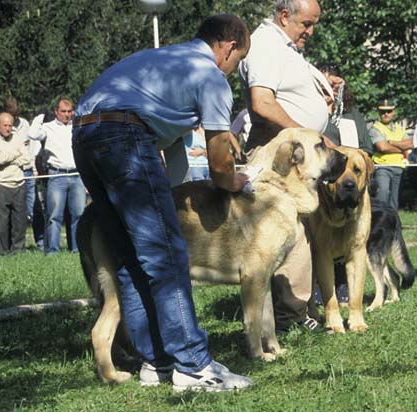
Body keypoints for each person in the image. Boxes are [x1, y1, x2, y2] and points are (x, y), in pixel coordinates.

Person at [72, 14, 253, 392]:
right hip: (123, 135)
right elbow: (220, 158)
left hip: (85, 133)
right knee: (166, 256)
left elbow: (173, 160)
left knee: (129, 256)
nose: (232, 72)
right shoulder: (208, 75)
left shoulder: (166, 62)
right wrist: (231, 181)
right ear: (228, 47)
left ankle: (156, 363)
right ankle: (193, 367)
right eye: (236, 63)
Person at [239, 0, 341, 332]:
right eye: (306, 24)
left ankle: (300, 307)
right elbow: (263, 102)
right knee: (285, 233)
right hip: (281, 156)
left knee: (301, 234)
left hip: (298, 155)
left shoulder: (284, 47)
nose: (311, 31)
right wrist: (308, 136)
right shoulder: (266, 44)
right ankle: (289, 314)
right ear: (285, 16)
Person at [29, 98, 86, 254]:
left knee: (79, 214)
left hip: (76, 174)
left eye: (69, 111)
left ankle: (77, 249)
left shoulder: (77, 126)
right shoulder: (47, 127)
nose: (67, 115)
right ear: (56, 112)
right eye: (63, 111)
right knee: (54, 216)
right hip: (56, 175)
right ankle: (53, 251)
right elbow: (32, 134)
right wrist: (40, 116)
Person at [4, 96, 44, 249]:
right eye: (12, 115)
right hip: (11, 173)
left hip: (28, 172)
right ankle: (11, 244)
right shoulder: (3, 126)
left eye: (16, 115)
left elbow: (32, 149)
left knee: (35, 208)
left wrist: (34, 168)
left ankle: (41, 242)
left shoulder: (25, 124)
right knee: (12, 210)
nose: (14, 119)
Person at [319, 63, 374, 155]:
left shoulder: (352, 114)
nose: (325, 89)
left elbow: (366, 148)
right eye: (321, 84)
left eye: (330, 85)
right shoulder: (309, 113)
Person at [369, 99, 413, 212]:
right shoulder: (375, 129)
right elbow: (382, 147)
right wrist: (401, 149)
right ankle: (379, 220)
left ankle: (393, 224)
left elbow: (411, 144)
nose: (386, 114)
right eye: (383, 112)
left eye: (389, 111)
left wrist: (391, 142)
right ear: (379, 112)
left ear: (393, 112)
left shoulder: (400, 128)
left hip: (399, 167)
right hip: (383, 167)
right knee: (382, 194)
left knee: (395, 201)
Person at [0, 112, 29, 254]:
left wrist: (10, 157)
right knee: (1, 222)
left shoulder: (17, 137)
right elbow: (0, 159)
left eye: (10, 125)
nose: (8, 128)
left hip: (19, 184)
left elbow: (27, 159)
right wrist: (17, 153)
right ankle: (2, 252)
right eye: (5, 125)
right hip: (1, 184)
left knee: (20, 221)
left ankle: (18, 251)